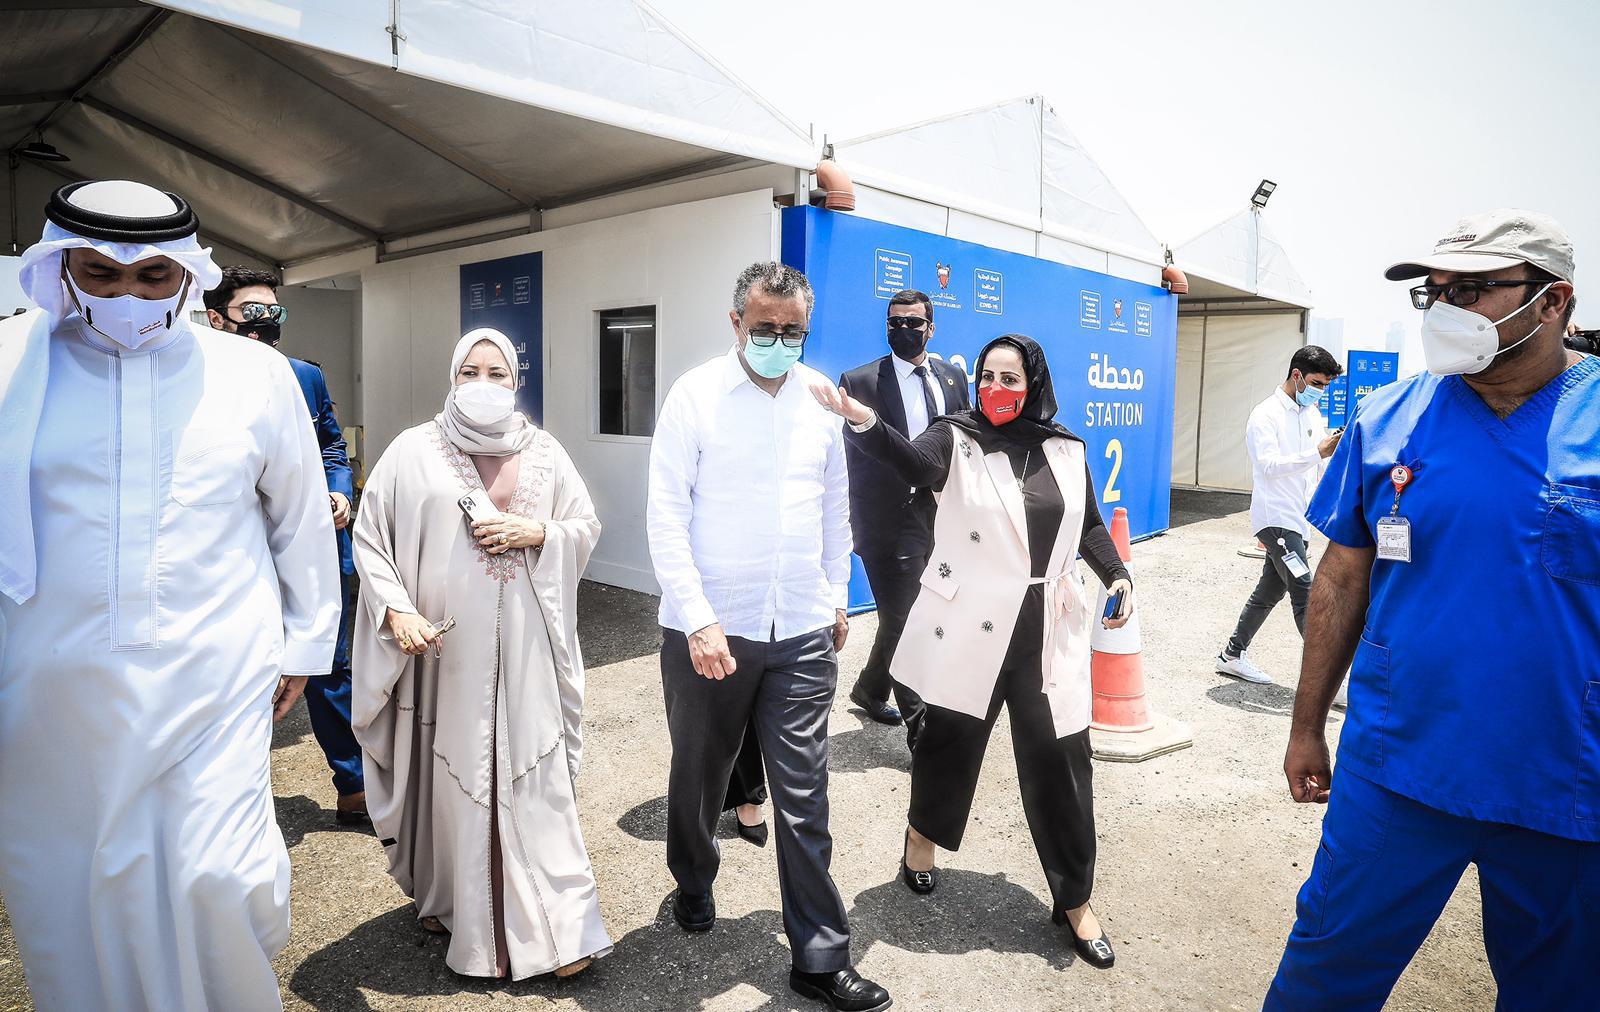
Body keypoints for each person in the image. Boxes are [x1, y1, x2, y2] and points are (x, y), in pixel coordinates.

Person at [0, 180, 340, 1011]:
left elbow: (300, 519)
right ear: (61, 267)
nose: (126, 294)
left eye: (153, 277)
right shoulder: (8, 365)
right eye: (102, 274)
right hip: (52, 681)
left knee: (219, 877)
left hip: (215, 674)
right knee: (69, 884)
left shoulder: (256, 374)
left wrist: (303, 647)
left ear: (189, 276)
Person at [1269, 209, 1598, 1010]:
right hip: (1400, 766)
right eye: (1435, 292)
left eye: (1474, 291)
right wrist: (1306, 722)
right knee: (1324, 978)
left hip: (1565, 784)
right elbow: (1341, 583)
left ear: (1552, 302)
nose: (1445, 311)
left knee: (1559, 992)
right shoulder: (1386, 419)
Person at [814, 334, 1132, 970]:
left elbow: (1090, 523)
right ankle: (920, 838)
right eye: (987, 376)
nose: (996, 389)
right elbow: (911, 464)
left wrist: (1117, 573)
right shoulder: (954, 436)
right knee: (947, 743)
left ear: (1033, 383)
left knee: (1064, 762)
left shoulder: (1066, 449)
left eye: (1010, 379)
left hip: (1045, 626)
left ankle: (1075, 899)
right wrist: (864, 421)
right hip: (974, 624)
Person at [648, 262, 890, 1012]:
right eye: (765, 330)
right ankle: (693, 877)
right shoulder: (694, 397)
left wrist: (835, 597)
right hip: (712, 632)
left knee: (804, 794)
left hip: (802, 629)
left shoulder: (821, 399)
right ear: (736, 324)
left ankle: (819, 954)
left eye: (792, 332)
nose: (779, 342)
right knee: (700, 774)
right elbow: (664, 515)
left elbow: (833, 508)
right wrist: (698, 618)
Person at [350, 328, 610, 981]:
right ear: (452, 373)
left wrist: (539, 530)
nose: (485, 382)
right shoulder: (413, 450)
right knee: (456, 772)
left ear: (516, 380)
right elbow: (371, 536)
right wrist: (397, 610)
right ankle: (455, 902)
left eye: (499, 372)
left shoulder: (545, 452)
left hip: (528, 649)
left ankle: (562, 928)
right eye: (472, 369)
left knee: (535, 773)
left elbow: (584, 527)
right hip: (446, 656)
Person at [205, 265, 367, 825]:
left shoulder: (304, 376)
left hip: (315, 552)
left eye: (274, 312)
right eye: (253, 312)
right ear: (215, 318)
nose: (265, 323)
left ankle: (354, 785)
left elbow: (331, 447)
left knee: (329, 665)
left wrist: (339, 492)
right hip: (234, 561)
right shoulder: (192, 385)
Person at [837, 289, 970, 744]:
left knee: (909, 615)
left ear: (930, 328)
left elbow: (963, 443)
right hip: (885, 523)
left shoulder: (953, 378)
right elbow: (855, 457)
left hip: (939, 515)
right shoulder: (859, 383)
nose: (903, 330)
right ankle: (922, 734)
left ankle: (870, 687)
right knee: (907, 620)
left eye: (913, 323)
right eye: (895, 322)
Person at [1214, 347, 1343, 687]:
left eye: (1326, 385)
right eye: (1316, 382)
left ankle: (1232, 655)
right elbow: (1268, 466)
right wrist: (1317, 452)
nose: (1320, 391)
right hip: (1275, 520)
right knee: (1306, 593)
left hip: (1298, 522)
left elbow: (1318, 467)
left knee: (1269, 591)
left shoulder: (1312, 414)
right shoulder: (1265, 415)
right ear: (1296, 375)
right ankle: (1331, 681)